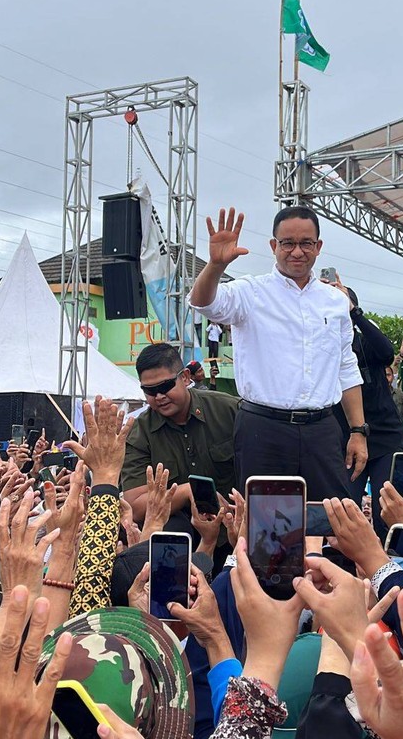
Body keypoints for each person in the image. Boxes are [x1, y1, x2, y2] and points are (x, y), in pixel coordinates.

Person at [190, 206, 367, 499]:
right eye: (287, 243)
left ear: (318, 247)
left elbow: (346, 367)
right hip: (263, 430)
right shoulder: (250, 291)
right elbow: (203, 303)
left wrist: (358, 431)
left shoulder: (335, 301)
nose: (297, 252)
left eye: (306, 243)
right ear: (274, 246)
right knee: (267, 528)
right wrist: (215, 266)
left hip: (322, 430)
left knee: (333, 524)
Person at [122, 342, 238, 531]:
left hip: (235, 529)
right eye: (150, 391)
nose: (159, 396)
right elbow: (135, 506)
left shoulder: (229, 411)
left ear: (184, 377)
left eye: (165, 386)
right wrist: (187, 491)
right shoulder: (140, 433)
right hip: (179, 540)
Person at [330, 281, 403, 540]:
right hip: (347, 437)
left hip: (385, 434)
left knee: (387, 508)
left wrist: (355, 313)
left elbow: (386, 352)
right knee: (347, 508)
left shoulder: (365, 341)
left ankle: (390, 568)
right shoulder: (323, 344)